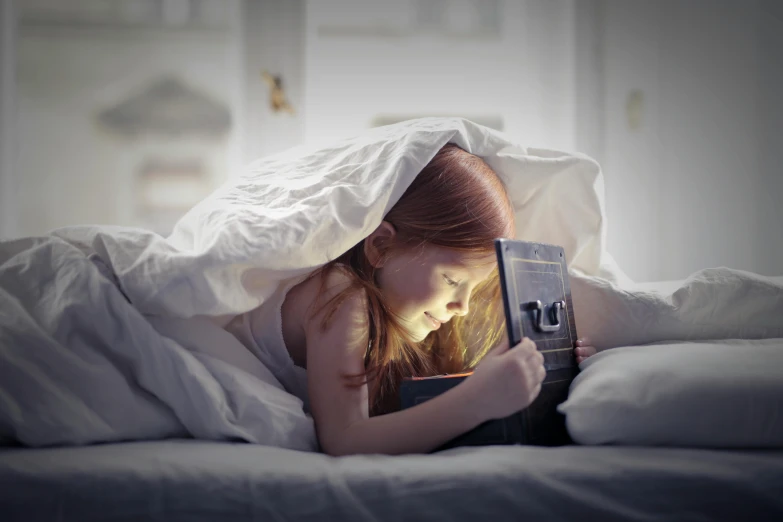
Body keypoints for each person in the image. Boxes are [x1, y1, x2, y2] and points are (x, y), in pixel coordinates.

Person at [224, 143, 598, 456]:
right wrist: (476, 399)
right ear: (381, 246)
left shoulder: (403, 310)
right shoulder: (342, 296)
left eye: (472, 287)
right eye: (453, 279)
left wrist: (532, 373)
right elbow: (343, 439)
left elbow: (414, 412)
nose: (462, 306)